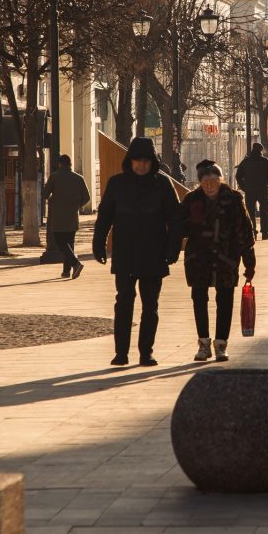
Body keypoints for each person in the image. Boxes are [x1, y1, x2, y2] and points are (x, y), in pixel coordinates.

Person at [93, 137, 183, 367]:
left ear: (152, 162)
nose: (141, 165)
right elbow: (105, 216)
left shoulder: (162, 184)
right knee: (123, 302)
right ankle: (121, 352)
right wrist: (98, 242)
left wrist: (173, 248)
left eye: (146, 161)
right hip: (125, 252)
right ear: (130, 161)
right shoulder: (117, 184)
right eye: (137, 161)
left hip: (154, 252)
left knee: (150, 305)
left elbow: (175, 219)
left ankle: (146, 352)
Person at [180, 160, 255, 363]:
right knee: (199, 299)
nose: (210, 185)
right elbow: (179, 228)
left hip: (226, 258)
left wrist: (249, 263)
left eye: (214, 180)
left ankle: (221, 344)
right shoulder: (191, 200)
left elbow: (245, 232)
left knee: (225, 300)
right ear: (200, 182)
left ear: (220, 180)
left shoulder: (233, 199)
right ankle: (203, 343)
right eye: (205, 181)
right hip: (199, 259)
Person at [43, 154, 91, 279]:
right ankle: (66, 271)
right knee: (70, 243)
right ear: (70, 164)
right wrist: (76, 205)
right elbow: (87, 197)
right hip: (72, 216)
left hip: (58, 216)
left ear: (60, 164)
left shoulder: (54, 177)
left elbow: (45, 194)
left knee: (60, 242)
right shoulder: (79, 178)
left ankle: (75, 263)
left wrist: (52, 198)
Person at [236, 142, 268, 241]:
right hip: (262, 189)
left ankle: (252, 231)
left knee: (250, 212)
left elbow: (238, 176)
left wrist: (243, 186)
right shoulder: (265, 161)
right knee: (264, 210)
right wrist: (266, 179)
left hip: (249, 190)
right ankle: (265, 232)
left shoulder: (246, 162)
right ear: (261, 151)